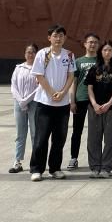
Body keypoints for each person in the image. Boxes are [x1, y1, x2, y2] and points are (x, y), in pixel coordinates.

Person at [30, 24, 76, 181]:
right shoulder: (43, 54)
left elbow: (71, 76)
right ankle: (37, 169)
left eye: (61, 36)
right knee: (41, 138)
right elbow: (39, 76)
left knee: (59, 138)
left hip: (62, 105)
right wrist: (51, 93)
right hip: (44, 103)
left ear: (65, 38)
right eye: (55, 36)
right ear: (49, 38)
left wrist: (63, 92)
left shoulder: (69, 55)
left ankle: (55, 168)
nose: (58, 38)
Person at [84, 40, 112, 178]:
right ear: (101, 52)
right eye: (105, 50)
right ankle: (95, 167)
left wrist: (108, 103)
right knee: (93, 138)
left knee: (110, 138)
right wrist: (94, 104)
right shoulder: (94, 69)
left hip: (111, 108)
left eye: (110, 50)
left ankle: (106, 168)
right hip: (94, 108)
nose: (107, 52)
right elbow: (89, 88)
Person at [68, 33, 99, 170]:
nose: (92, 44)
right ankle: (74, 158)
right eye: (90, 42)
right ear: (85, 44)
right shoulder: (78, 62)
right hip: (80, 98)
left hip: (96, 101)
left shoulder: (101, 61)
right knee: (77, 130)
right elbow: (73, 82)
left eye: (95, 42)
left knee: (96, 131)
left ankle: (96, 159)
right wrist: (72, 101)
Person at [9, 42, 39, 173]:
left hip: (34, 102)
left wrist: (26, 100)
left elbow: (40, 87)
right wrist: (21, 101)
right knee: (20, 133)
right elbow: (13, 85)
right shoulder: (19, 68)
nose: (30, 54)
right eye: (28, 52)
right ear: (25, 54)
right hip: (19, 102)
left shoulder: (39, 69)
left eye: (33, 52)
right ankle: (17, 161)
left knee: (35, 133)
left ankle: (36, 161)